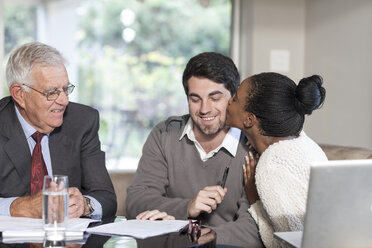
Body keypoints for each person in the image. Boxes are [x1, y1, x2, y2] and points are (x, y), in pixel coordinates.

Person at [125, 52, 264, 247]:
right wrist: (187, 207)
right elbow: (136, 201)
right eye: (195, 99)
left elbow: (253, 227)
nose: (204, 109)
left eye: (215, 98)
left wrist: (192, 234)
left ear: (233, 98)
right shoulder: (164, 134)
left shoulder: (251, 144)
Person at [0, 42, 116, 220]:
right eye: (52, 92)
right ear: (19, 94)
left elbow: (106, 197)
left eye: (65, 89)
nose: (64, 101)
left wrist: (85, 205)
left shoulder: (82, 121)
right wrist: (16, 208)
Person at [226, 72, 328, 248]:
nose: (228, 101)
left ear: (249, 119)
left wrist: (253, 198)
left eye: (235, 99)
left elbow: (289, 245)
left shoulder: (271, 167)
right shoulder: (304, 141)